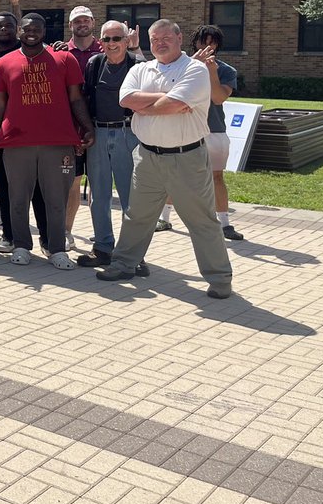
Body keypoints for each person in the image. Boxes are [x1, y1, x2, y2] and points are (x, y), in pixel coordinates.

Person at [96, 20, 234, 299]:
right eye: (154, 39)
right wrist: (166, 99)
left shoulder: (195, 69)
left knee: (202, 221)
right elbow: (126, 99)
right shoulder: (140, 69)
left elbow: (175, 103)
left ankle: (220, 279)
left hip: (187, 157)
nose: (160, 43)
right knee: (137, 216)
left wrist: (146, 106)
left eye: (166, 37)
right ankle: (124, 264)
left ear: (179, 37)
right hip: (147, 156)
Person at [0, 13, 94, 270]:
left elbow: (76, 98)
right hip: (16, 142)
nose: (31, 32)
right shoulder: (4, 64)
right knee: (17, 198)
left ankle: (56, 249)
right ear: (19, 31)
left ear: (45, 32)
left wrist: (87, 128)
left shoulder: (65, 59)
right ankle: (21, 246)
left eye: (37, 29)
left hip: (58, 142)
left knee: (56, 199)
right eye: (26, 29)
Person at [78, 20, 142, 267]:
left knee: (131, 198)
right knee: (99, 196)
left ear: (127, 41)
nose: (112, 44)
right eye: (107, 39)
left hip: (129, 134)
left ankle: (132, 254)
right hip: (99, 133)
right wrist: (86, 130)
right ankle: (103, 247)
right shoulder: (94, 64)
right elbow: (84, 98)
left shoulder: (138, 66)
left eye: (117, 38)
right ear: (100, 41)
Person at [51, 6, 102, 247]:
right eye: (76, 21)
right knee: (73, 179)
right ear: (70, 25)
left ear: (93, 22)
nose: (81, 24)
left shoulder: (107, 48)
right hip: (69, 126)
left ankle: (101, 233)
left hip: (102, 123)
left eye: (85, 20)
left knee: (99, 183)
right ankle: (66, 231)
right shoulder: (59, 52)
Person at [191, 25, 245, 241]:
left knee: (217, 176)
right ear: (195, 42)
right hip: (186, 129)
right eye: (203, 41)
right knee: (174, 175)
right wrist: (194, 65)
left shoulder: (226, 70)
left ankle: (224, 224)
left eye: (212, 42)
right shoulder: (182, 65)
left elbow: (218, 98)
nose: (207, 46)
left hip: (214, 131)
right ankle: (165, 217)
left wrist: (211, 72)